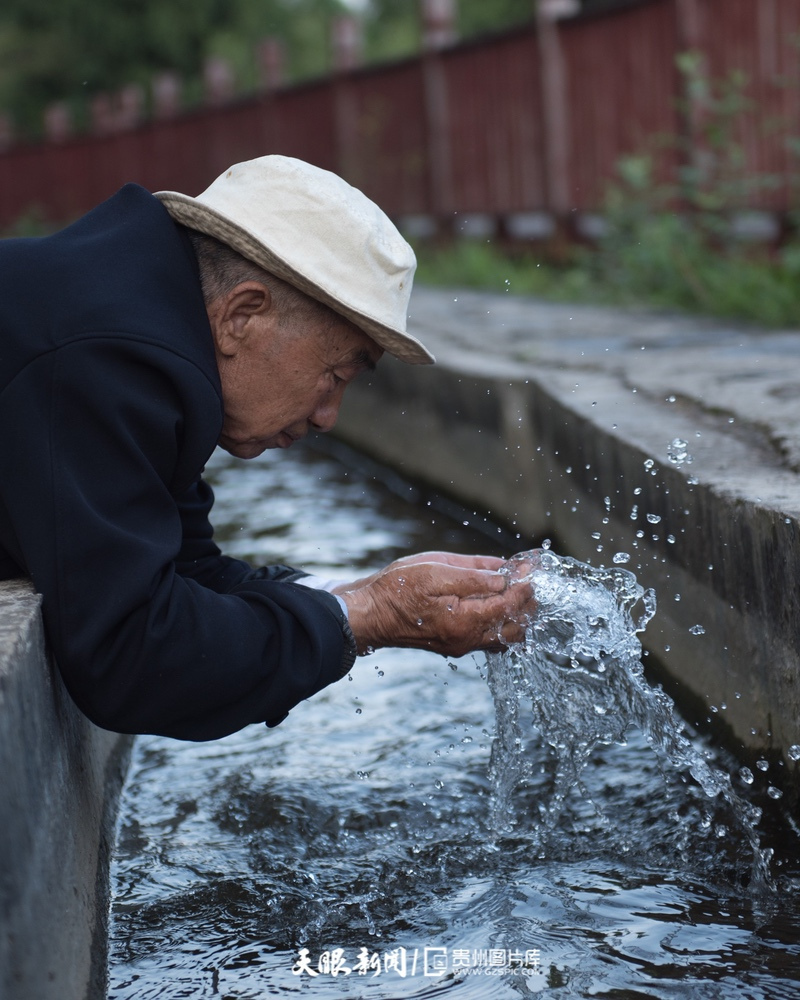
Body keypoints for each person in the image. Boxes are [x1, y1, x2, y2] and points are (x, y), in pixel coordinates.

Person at [0, 155, 532, 741]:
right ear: (243, 315)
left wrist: (357, 592)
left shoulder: (146, 329)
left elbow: (187, 570)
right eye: (335, 375)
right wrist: (374, 616)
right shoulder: (106, 360)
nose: (329, 417)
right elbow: (132, 657)